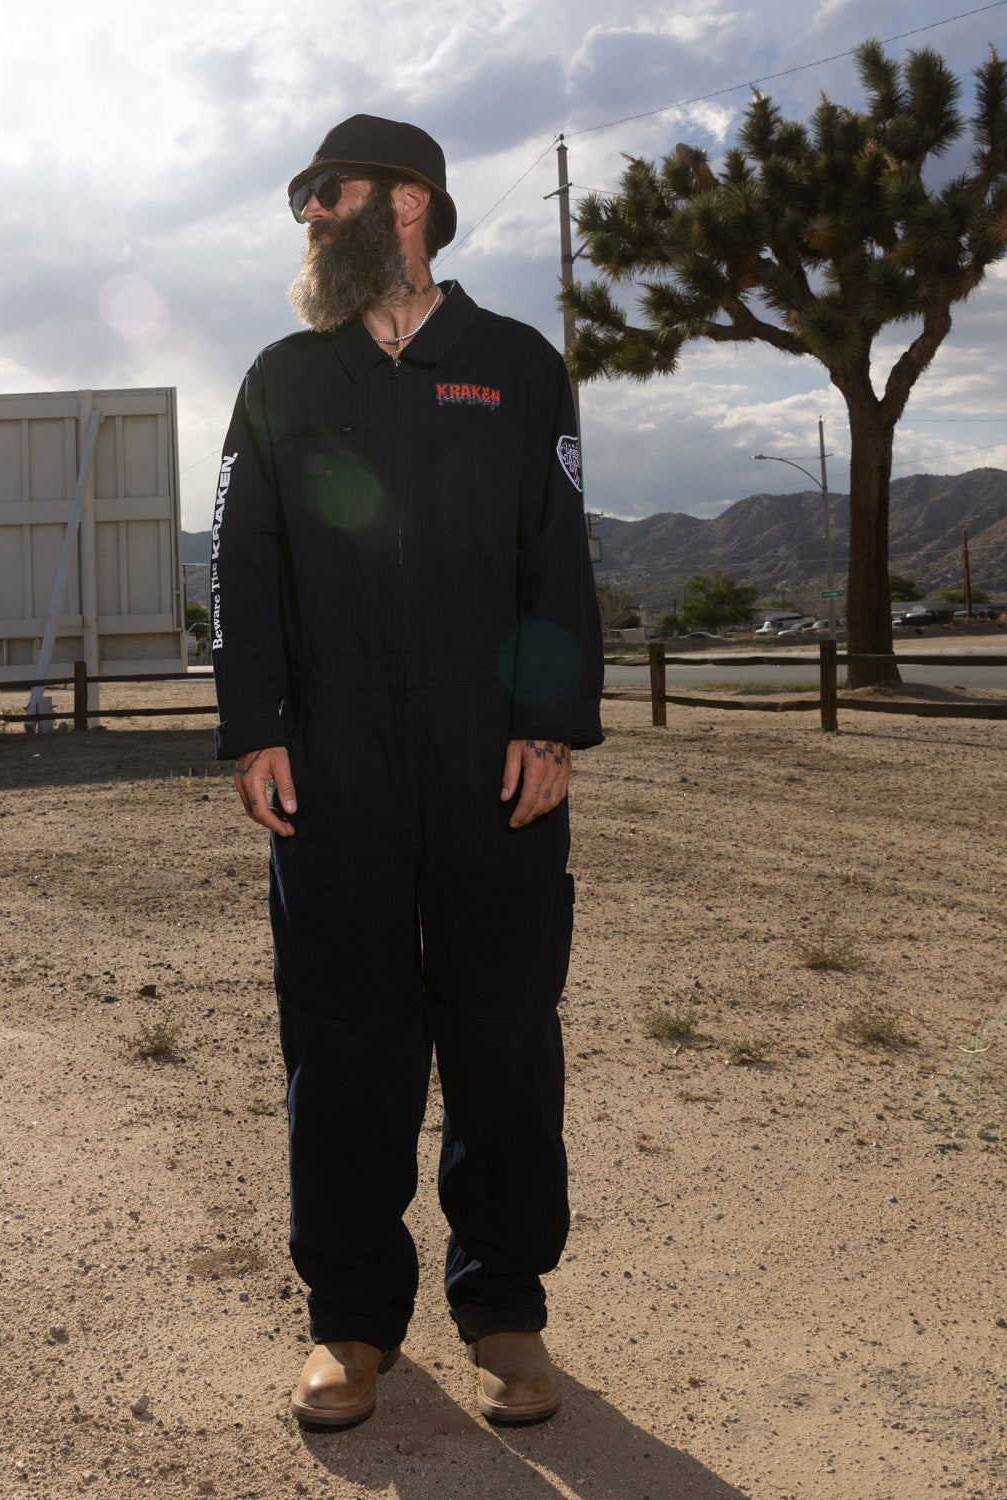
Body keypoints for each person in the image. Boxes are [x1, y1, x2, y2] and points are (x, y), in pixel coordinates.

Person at [210, 113, 603, 1430]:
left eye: (333, 195)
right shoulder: (281, 377)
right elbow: (245, 568)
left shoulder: (513, 365)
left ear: (413, 205)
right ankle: (352, 1324)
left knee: (501, 1031)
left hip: (492, 752)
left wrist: (547, 726)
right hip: (334, 758)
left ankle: (506, 1309)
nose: (315, 216)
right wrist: (257, 725)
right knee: (345, 1038)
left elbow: (556, 554)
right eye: (309, 200)